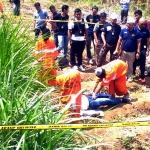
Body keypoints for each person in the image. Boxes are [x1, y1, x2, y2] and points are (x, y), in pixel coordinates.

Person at [114, 17, 141, 82]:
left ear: (133, 24)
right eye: (127, 23)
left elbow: (139, 43)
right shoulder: (123, 30)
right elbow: (119, 40)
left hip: (132, 52)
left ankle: (129, 76)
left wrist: (138, 52)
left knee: (130, 65)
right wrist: (116, 49)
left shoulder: (137, 32)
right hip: (123, 51)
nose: (127, 25)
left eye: (129, 24)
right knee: (122, 63)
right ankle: (122, 75)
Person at [133, 18, 150, 83]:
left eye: (144, 24)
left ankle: (142, 76)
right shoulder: (134, 29)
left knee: (142, 63)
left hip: (143, 48)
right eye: (141, 24)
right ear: (138, 23)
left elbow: (148, 41)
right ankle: (133, 75)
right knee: (134, 62)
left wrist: (148, 50)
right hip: (134, 48)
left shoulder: (146, 30)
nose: (143, 25)